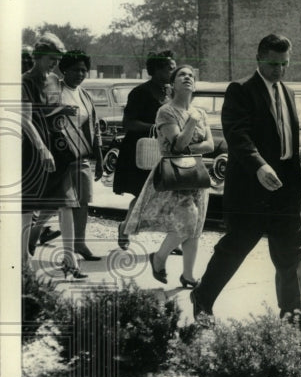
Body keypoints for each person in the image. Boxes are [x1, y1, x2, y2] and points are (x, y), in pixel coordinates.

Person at [189, 34, 301, 329]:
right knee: (236, 247)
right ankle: (203, 297)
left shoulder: (288, 92)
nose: (279, 70)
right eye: (273, 64)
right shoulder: (241, 90)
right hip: (251, 188)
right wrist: (259, 166)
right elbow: (237, 134)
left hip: (286, 188)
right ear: (258, 58)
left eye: (284, 64)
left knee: (291, 253)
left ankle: (291, 317)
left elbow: (288, 139)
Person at [120, 65, 213, 285]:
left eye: (191, 75)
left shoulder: (201, 112)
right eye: (182, 75)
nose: (188, 78)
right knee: (187, 222)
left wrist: (189, 145)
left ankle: (188, 275)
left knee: (195, 227)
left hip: (196, 175)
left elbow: (209, 145)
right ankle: (159, 257)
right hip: (175, 175)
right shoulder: (166, 111)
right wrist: (190, 123)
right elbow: (178, 144)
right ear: (173, 84)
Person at [113, 50, 177, 251]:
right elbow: (128, 123)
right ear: (157, 70)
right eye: (169, 68)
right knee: (144, 194)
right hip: (142, 152)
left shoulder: (170, 92)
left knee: (171, 194)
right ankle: (125, 227)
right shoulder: (140, 93)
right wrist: (155, 127)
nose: (172, 72)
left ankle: (171, 239)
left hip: (164, 150)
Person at [48, 50, 104, 277]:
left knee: (83, 200)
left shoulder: (85, 96)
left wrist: (99, 159)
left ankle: (78, 243)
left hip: (81, 156)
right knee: (62, 205)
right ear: (64, 70)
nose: (80, 74)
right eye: (75, 69)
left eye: (84, 69)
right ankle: (34, 239)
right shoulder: (56, 92)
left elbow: (95, 128)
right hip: (60, 157)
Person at [20, 34, 65, 262]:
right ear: (38, 57)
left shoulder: (55, 80)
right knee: (27, 204)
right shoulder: (26, 81)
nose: (54, 63)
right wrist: (42, 149)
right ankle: (23, 261)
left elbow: (54, 112)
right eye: (51, 58)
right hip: (30, 147)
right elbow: (26, 119)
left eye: (57, 59)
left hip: (53, 146)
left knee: (54, 199)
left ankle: (32, 240)